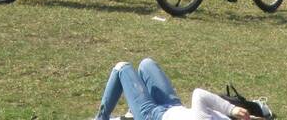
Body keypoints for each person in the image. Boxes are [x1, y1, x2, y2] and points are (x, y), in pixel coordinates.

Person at [93, 58, 252, 120]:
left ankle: (101, 118)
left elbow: (199, 95)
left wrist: (232, 109)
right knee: (146, 64)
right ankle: (132, 113)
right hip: (172, 105)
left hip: (152, 116)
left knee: (122, 67)